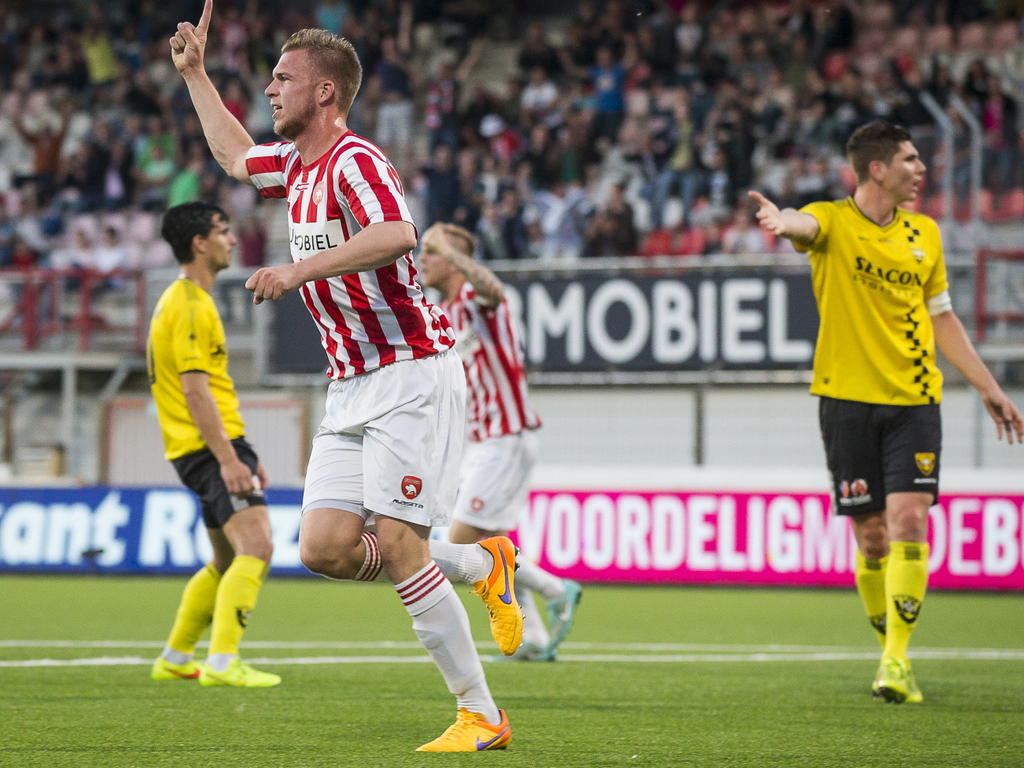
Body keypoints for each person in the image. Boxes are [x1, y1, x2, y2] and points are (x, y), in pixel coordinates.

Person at [169, 1, 520, 751]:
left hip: (409, 373)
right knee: (323, 547)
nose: (269, 91)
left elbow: (398, 234)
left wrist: (300, 268)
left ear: (323, 92)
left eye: (281, 78)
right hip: (350, 383)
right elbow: (235, 156)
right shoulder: (292, 164)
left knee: (395, 541)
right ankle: (476, 561)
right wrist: (196, 75)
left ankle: (480, 714)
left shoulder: (354, 160)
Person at [748, 120, 1023, 704]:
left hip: (915, 401)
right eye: (910, 159)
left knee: (909, 521)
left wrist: (987, 386)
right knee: (871, 537)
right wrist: (783, 220)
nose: (920, 169)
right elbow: (806, 222)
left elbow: (942, 317)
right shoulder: (832, 221)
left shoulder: (925, 234)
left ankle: (896, 660)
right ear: (877, 168)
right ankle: (888, 646)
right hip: (845, 401)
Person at [419, 222, 583, 661]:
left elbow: (494, 288)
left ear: (454, 259)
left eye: (430, 252)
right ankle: (534, 638)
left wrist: (450, 250)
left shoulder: (478, 299)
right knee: (493, 544)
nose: (422, 259)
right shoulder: (443, 312)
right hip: (480, 441)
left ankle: (555, 588)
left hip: (507, 435)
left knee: (462, 540)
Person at [147, 201, 279, 688]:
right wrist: (229, 459)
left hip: (201, 448)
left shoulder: (188, 300)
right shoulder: (187, 305)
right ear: (199, 243)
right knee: (258, 545)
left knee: (227, 559)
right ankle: (223, 661)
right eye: (222, 231)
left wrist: (243, 453)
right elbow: (195, 389)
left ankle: (177, 655)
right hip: (206, 449)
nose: (231, 238)